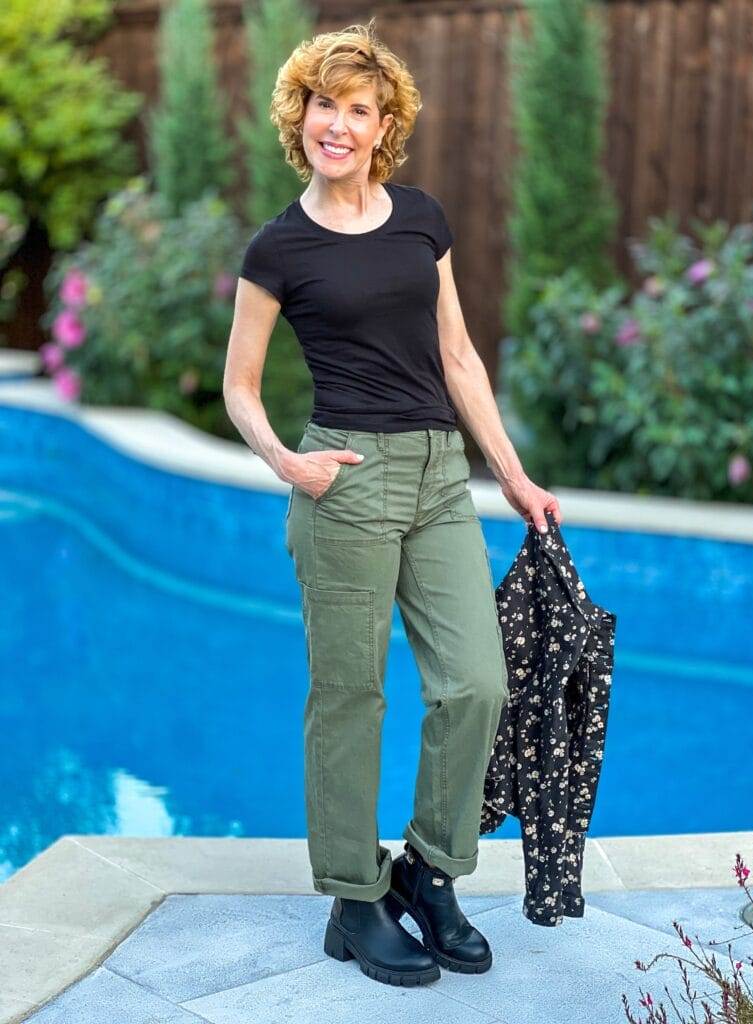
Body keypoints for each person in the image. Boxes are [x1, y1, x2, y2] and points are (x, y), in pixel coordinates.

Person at [223, 18, 562, 988]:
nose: (338, 122)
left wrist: (511, 470)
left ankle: (426, 867)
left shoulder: (421, 219)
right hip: (347, 480)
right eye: (322, 103)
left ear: (383, 124)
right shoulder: (279, 248)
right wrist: (292, 464)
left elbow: (456, 355)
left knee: (476, 682)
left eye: (358, 108)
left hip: (439, 476)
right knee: (350, 696)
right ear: (301, 117)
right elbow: (240, 386)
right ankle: (352, 898)